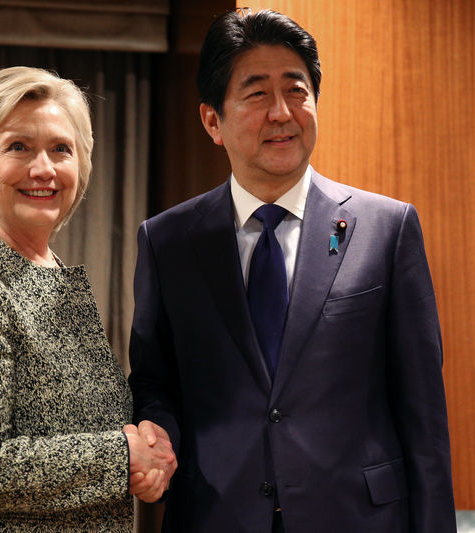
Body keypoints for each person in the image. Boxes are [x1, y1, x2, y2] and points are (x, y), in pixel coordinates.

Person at [128, 9, 456, 533]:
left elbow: (424, 415)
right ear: (213, 121)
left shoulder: (386, 229)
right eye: (257, 93)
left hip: (358, 519)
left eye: (296, 91)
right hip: (216, 515)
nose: (282, 112)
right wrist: (158, 439)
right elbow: (155, 380)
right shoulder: (168, 241)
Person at [0, 66, 175, 532]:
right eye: (18, 147)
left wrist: (149, 453)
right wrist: (122, 455)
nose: (44, 168)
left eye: (60, 150)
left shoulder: (52, 277)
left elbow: (82, 428)